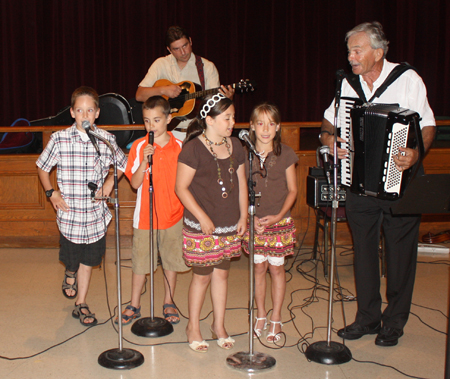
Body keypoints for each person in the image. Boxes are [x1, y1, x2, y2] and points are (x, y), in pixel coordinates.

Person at [320, 21, 436, 347]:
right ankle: (367, 318)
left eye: (357, 50)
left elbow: (428, 125)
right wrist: (330, 139)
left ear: (378, 52)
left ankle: (394, 322)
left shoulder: (407, 79)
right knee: (364, 254)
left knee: (400, 256)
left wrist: (416, 153)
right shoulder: (348, 85)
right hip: (358, 182)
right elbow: (329, 121)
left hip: (402, 181)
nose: (351, 56)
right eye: (348, 51)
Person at [36, 86, 127, 326]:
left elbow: (122, 164)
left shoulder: (106, 139)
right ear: (72, 113)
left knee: (90, 261)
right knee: (72, 258)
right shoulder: (60, 139)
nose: (85, 115)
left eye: (90, 110)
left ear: (97, 113)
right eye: (80, 110)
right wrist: (51, 192)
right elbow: (42, 167)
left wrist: (109, 182)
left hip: (96, 216)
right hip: (70, 215)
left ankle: (82, 303)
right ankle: (69, 273)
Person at [175, 93, 248, 353]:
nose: (232, 122)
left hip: (228, 224)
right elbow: (181, 188)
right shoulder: (193, 148)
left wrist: (243, 216)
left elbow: (241, 184)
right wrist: (202, 216)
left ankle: (219, 325)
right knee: (203, 277)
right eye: (227, 117)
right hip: (202, 225)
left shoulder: (235, 145)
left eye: (233, 117)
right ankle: (192, 326)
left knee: (222, 275)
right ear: (209, 119)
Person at [118, 96, 189, 326]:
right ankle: (134, 303)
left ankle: (169, 301)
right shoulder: (139, 147)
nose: (151, 126)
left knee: (170, 261)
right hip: (145, 217)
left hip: (173, 215)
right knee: (140, 262)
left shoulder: (179, 146)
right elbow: (135, 184)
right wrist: (143, 163)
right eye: (147, 121)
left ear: (169, 119)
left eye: (157, 120)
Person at [242, 102, 298, 344]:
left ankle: (276, 316)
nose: (266, 129)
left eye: (271, 123)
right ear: (252, 127)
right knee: (258, 269)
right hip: (254, 222)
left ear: (278, 127)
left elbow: (293, 191)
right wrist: (249, 217)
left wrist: (278, 216)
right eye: (260, 123)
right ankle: (261, 315)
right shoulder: (244, 154)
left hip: (279, 221)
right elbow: (241, 190)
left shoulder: (285, 153)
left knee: (276, 268)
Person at [135, 26, 234, 139]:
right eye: (176, 49)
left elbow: (215, 105)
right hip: (166, 135)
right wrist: (163, 90)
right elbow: (139, 95)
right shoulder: (160, 64)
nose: (183, 52)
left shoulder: (206, 67)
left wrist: (227, 100)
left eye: (185, 45)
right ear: (169, 49)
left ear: (190, 41)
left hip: (197, 133)